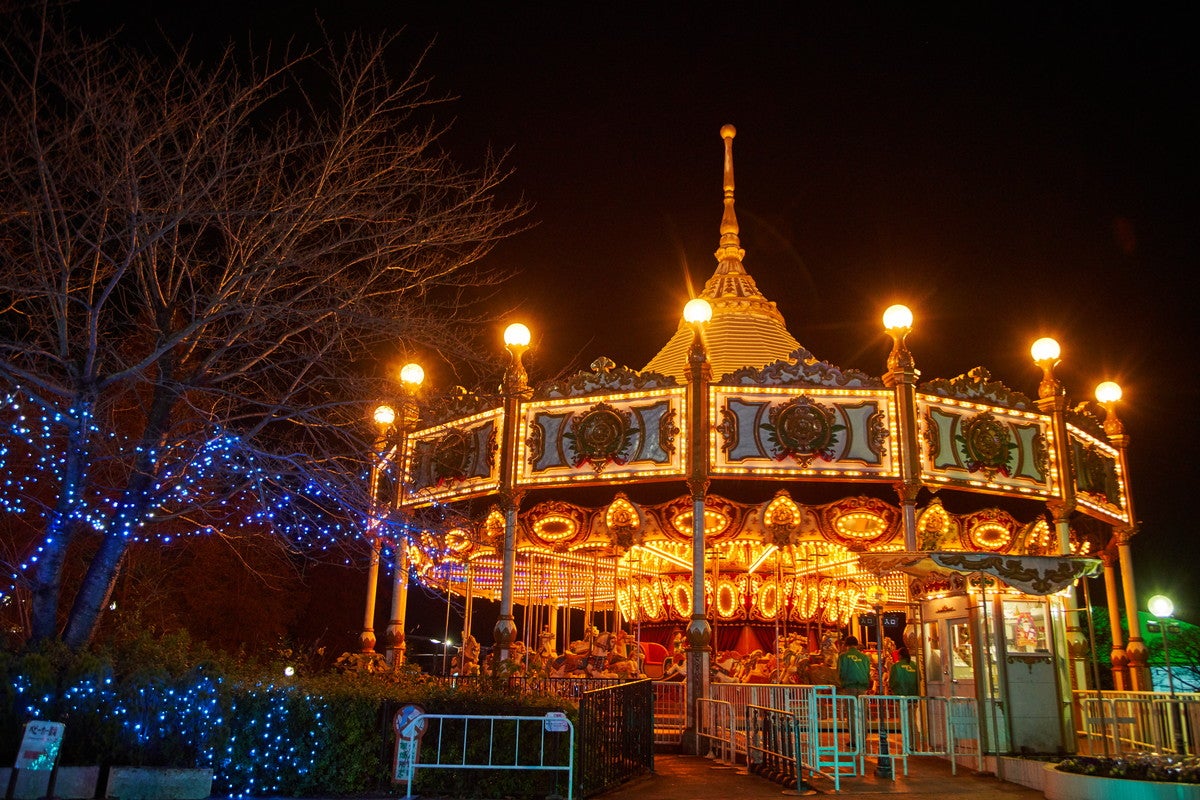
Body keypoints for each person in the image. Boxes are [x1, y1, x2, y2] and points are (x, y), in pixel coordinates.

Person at [837, 636, 871, 747]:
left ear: (846, 645)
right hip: (862, 688)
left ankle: (854, 739)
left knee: (851, 714)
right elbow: (867, 672)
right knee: (862, 713)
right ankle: (863, 738)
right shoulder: (864, 657)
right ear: (856, 645)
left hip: (849, 687)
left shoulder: (843, 657)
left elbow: (840, 672)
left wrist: (841, 683)